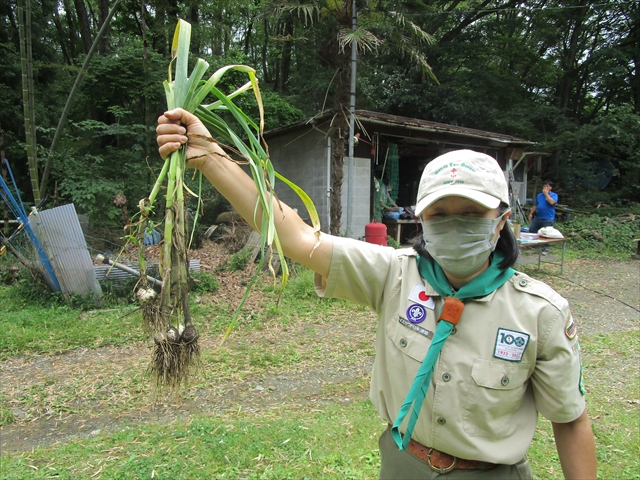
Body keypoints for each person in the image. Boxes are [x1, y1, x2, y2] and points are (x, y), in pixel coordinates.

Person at [157, 109, 597, 480]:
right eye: (440, 214)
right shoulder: (395, 274)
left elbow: (571, 420)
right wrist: (210, 157)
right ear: (421, 219)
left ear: (500, 220)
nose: (455, 223)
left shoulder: (541, 312)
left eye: (472, 213)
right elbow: (294, 237)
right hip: (403, 464)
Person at [528, 181, 558, 255]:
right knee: (532, 230)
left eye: (547, 186)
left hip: (548, 218)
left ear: (550, 188)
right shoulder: (539, 195)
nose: (545, 188)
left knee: (546, 233)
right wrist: (531, 213)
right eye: (544, 186)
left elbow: (552, 202)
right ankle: (534, 245)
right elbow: (535, 205)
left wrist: (546, 194)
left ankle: (545, 248)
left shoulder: (554, 195)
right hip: (538, 217)